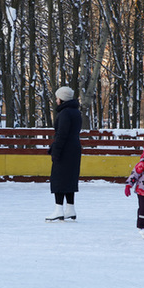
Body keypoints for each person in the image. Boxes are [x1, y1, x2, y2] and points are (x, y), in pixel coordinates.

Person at [46, 86, 82, 222]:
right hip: (74, 149)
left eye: (57, 98)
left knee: (59, 179)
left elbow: (61, 134)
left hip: (65, 150)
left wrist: (55, 151)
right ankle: (70, 208)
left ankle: (58, 210)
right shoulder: (76, 112)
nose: (56, 100)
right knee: (70, 178)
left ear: (62, 99)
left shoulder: (64, 113)